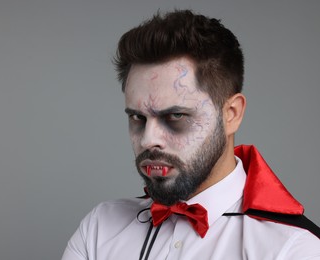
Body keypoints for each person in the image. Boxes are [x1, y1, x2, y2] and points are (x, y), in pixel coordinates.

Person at [62, 9, 320, 260]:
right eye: (137, 118)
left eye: (176, 117)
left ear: (231, 114)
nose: (147, 139)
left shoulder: (294, 249)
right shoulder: (99, 228)